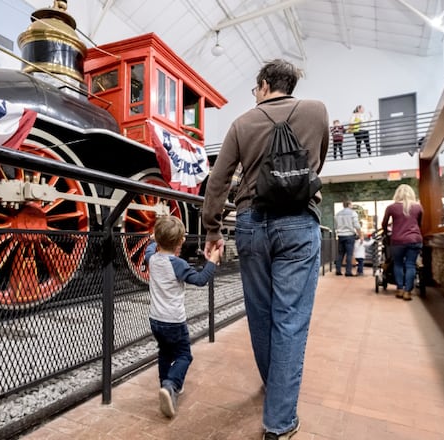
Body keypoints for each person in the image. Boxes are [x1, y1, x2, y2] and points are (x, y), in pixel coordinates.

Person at [201, 59, 328, 439]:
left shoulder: (242, 123)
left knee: (259, 313)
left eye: (255, 89)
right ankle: (279, 421)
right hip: (298, 223)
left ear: (263, 85)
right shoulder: (317, 111)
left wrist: (211, 230)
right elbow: (317, 160)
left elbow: (218, 181)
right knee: (290, 319)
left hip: (251, 224)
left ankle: (275, 389)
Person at [144, 215, 220, 418]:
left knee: (164, 353)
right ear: (181, 241)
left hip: (155, 320)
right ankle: (171, 386)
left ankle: (164, 385)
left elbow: (150, 247)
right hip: (174, 321)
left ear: (157, 239)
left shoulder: (151, 257)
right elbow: (201, 279)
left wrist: (154, 239)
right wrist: (212, 261)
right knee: (184, 355)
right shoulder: (177, 264)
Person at [381, 184, 423, 301]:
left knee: (398, 264)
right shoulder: (418, 207)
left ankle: (399, 289)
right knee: (410, 265)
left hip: (398, 241)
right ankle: (407, 292)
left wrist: (386, 231)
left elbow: (384, 224)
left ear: (397, 194)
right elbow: (420, 224)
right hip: (414, 239)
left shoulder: (391, 208)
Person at [334, 200, 362, 276]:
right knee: (349, 254)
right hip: (349, 235)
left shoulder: (338, 214)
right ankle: (348, 271)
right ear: (349, 204)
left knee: (340, 253)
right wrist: (360, 235)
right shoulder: (353, 213)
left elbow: (336, 225)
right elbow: (357, 225)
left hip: (340, 235)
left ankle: (338, 270)